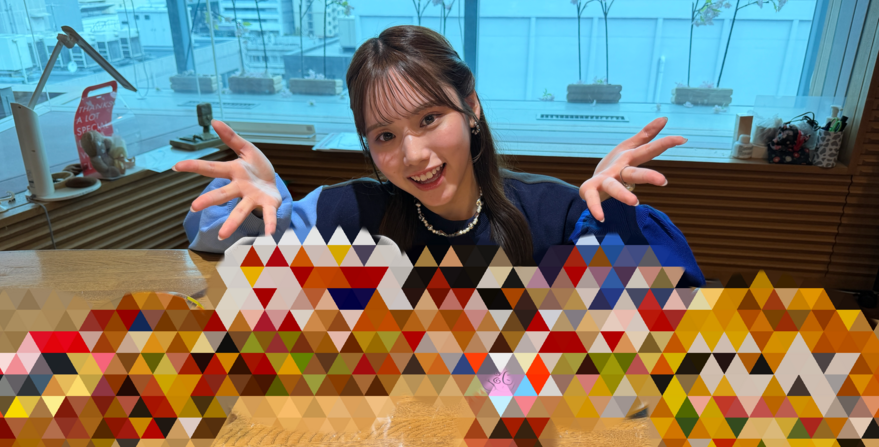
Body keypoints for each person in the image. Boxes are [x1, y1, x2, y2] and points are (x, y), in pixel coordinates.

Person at [179, 25, 704, 286]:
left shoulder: (556, 215)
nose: (413, 155)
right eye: (384, 136)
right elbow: (233, 261)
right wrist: (262, 204)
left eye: (429, 119)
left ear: (471, 107)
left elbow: (652, 318)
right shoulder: (347, 212)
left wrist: (614, 216)